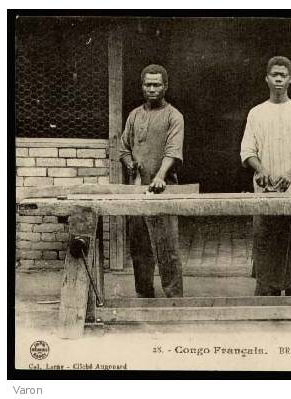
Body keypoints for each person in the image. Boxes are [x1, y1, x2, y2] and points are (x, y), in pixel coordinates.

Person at [240, 56, 291, 296]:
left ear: (290, 80)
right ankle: (268, 297)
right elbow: (247, 151)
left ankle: (290, 298)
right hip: (264, 191)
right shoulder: (256, 113)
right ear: (266, 78)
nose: (278, 79)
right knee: (266, 241)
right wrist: (260, 168)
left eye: (282, 75)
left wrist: (290, 173)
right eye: (274, 74)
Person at [118, 64, 184, 298]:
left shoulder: (174, 116)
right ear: (142, 86)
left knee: (167, 248)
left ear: (165, 87)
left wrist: (160, 176)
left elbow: (173, 151)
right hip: (137, 190)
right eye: (148, 84)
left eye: (157, 84)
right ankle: (144, 295)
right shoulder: (134, 115)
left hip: (163, 191)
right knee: (140, 247)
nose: (152, 89)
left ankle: (174, 298)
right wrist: (129, 163)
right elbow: (124, 148)